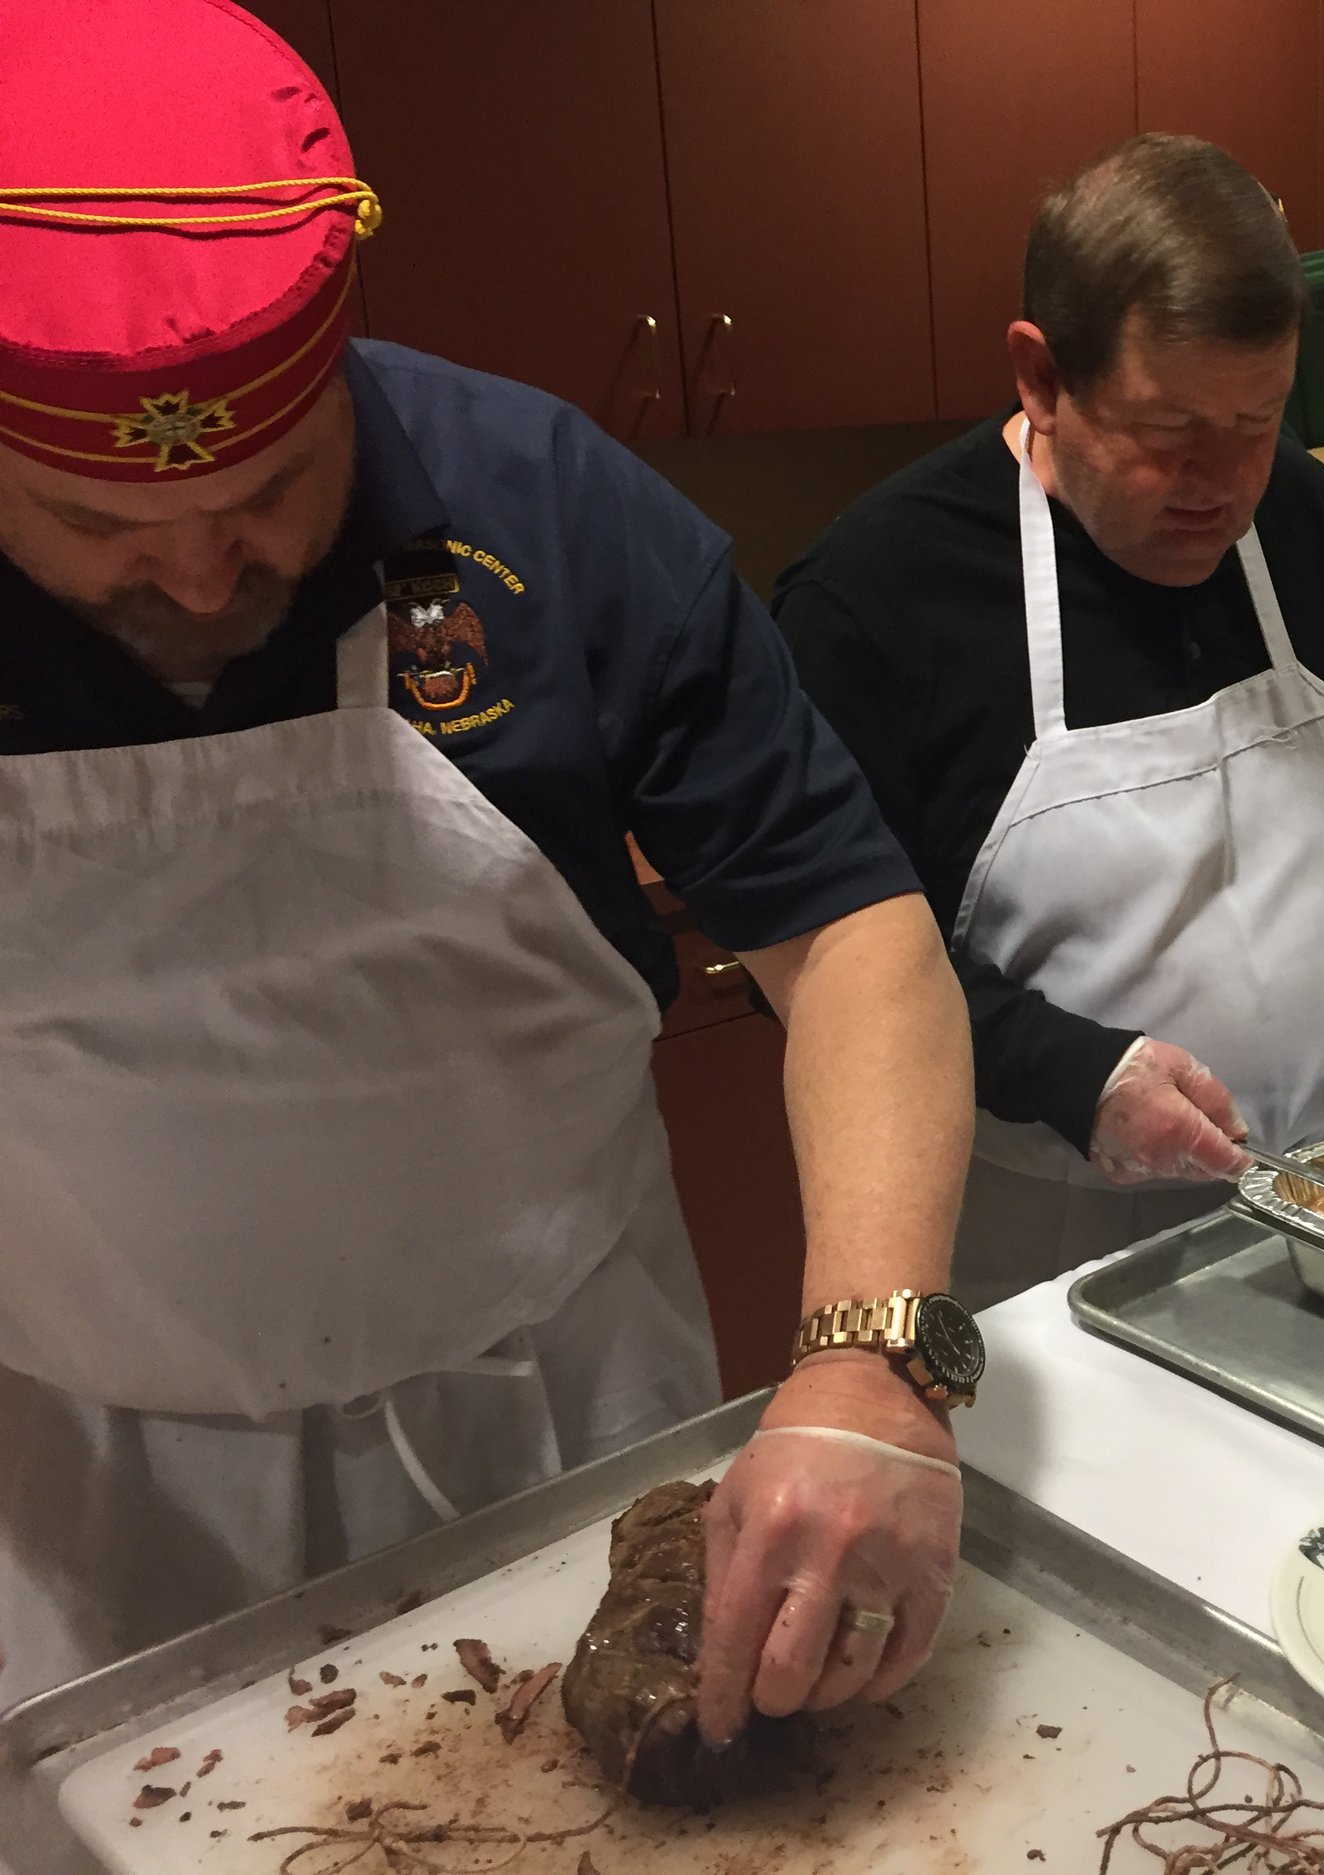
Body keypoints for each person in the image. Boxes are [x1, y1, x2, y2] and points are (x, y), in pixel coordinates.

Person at [0, 0, 974, 1743]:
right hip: (86, 1479)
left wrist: (867, 1355)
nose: (212, 575)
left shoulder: (550, 513)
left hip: (560, 1405)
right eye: (103, 530)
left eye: (279, 496)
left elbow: (847, 932)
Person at [775, 135, 1324, 1307]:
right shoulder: (878, 595)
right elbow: (830, 960)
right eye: (1169, 435)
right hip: (1054, 1236)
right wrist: (1071, 1071)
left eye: (1257, 423)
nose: (1221, 485)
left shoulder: (1299, 515)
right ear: (1041, 376)